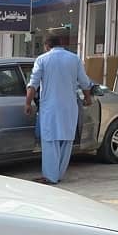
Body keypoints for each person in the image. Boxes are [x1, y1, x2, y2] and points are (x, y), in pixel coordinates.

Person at [26, 36, 92, 185]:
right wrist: (88, 99)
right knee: (66, 141)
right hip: (69, 107)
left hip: (50, 108)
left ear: (47, 45)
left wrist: (28, 103)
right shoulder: (74, 59)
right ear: (60, 44)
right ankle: (58, 174)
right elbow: (85, 82)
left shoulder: (42, 59)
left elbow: (33, 84)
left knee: (50, 142)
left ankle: (50, 176)